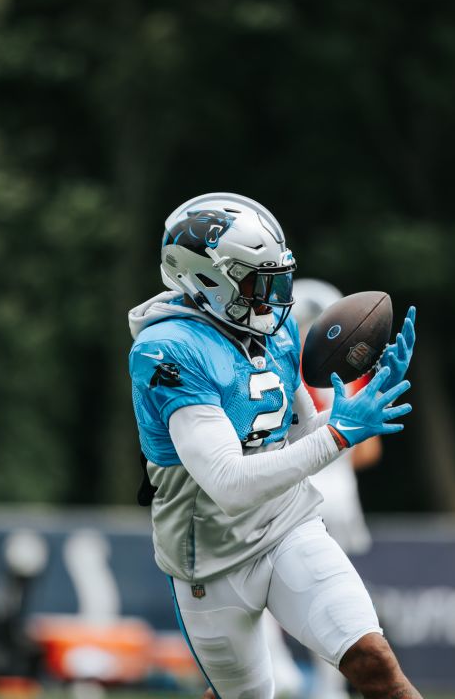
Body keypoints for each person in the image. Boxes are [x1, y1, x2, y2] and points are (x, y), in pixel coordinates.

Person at [128, 192, 421, 699]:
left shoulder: (276, 328)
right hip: (212, 560)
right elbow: (229, 484)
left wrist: (350, 413)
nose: (271, 297)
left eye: (275, 278)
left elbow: (301, 433)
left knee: (374, 661)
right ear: (205, 276)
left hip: (289, 527)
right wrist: (338, 433)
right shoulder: (169, 349)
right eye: (254, 279)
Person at [259, 277, 385, 698]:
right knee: (329, 596)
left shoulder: (278, 361)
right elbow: (369, 452)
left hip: (297, 486)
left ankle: (280, 672)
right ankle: (329, 688)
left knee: (259, 582)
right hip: (342, 496)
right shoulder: (353, 371)